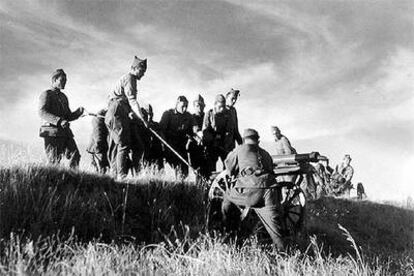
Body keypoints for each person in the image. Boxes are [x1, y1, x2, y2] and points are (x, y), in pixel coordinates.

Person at [215, 128, 285, 250]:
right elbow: (271, 170)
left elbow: (229, 168)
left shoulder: (239, 150)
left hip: (251, 191)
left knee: (227, 197)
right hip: (270, 190)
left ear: (243, 140)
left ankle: (230, 231)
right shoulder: (266, 154)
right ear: (258, 140)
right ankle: (284, 254)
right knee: (275, 230)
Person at [105, 56, 148, 178]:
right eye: (141, 71)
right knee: (123, 144)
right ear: (133, 69)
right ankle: (121, 176)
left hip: (116, 111)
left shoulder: (126, 78)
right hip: (117, 111)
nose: (143, 74)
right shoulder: (130, 78)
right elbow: (132, 101)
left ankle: (115, 174)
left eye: (144, 72)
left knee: (118, 145)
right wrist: (143, 119)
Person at [38, 69, 84, 168]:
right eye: (62, 80)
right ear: (54, 80)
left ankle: (73, 179)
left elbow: (68, 116)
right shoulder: (47, 94)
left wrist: (77, 113)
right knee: (54, 161)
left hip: (65, 133)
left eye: (65, 80)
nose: (64, 82)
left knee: (75, 156)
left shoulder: (64, 97)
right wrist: (59, 121)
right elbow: (42, 112)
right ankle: (55, 182)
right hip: (51, 133)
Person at [159, 96, 197, 179]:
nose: (184, 109)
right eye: (182, 106)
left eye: (186, 106)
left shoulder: (188, 116)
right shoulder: (168, 114)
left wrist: (197, 134)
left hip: (182, 148)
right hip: (170, 147)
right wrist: (165, 145)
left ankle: (182, 187)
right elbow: (161, 131)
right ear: (177, 104)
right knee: (175, 170)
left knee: (184, 172)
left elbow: (195, 128)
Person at [203, 94, 233, 174]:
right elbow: (205, 131)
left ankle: (226, 182)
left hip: (224, 144)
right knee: (211, 166)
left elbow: (229, 131)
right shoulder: (209, 114)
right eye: (220, 107)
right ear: (215, 105)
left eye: (223, 106)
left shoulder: (228, 115)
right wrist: (212, 140)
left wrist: (226, 144)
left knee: (228, 164)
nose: (222, 109)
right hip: (212, 145)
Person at [189, 94, 209, 182]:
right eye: (197, 105)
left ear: (204, 106)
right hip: (195, 148)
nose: (199, 107)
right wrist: (197, 137)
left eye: (201, 105)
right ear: (194, 106)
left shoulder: (208, 117)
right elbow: (191, 131)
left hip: (207, 149)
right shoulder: (190, 118)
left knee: (208, 172)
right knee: (197, 172)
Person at [86, 109, 109, 173]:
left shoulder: (100, 118)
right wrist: (99, 147)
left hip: (98, 147)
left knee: (102, 169)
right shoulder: (99, 119)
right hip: (98, 148)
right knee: (100, 169)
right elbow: (98, 135)